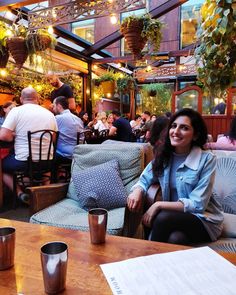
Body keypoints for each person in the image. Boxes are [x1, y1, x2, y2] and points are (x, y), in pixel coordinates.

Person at [127, 108, 223, 245]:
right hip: (173, 220)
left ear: (195, 135)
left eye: (184, 128)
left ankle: (146, 260)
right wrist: (137, 190)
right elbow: (145, 179)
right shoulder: (164, 156)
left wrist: (159, 205)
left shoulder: (206, 159)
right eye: (173, 126)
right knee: (176, 239)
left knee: (161, 217)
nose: (176, 132)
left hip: (203, 220)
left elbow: (197, 204)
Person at [0, 87, 58, 203]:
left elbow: (3, 136)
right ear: (37, 99)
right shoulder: (49, 114)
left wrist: (14, 136)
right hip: (47, 162)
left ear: (21, 99)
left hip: (24, 162)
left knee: (3, 167)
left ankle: (20, 194)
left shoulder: (16, 111)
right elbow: (53, 138)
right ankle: (44, 193)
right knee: (43, 166)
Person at [53, 96, 84, 163]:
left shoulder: (57, 118)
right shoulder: (78, 119)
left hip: (65, 155)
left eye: (54, 106)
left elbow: (52, 138)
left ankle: (53, 173)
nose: (53, 108)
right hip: (78, 154)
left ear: (58, 106)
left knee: (47, 153)